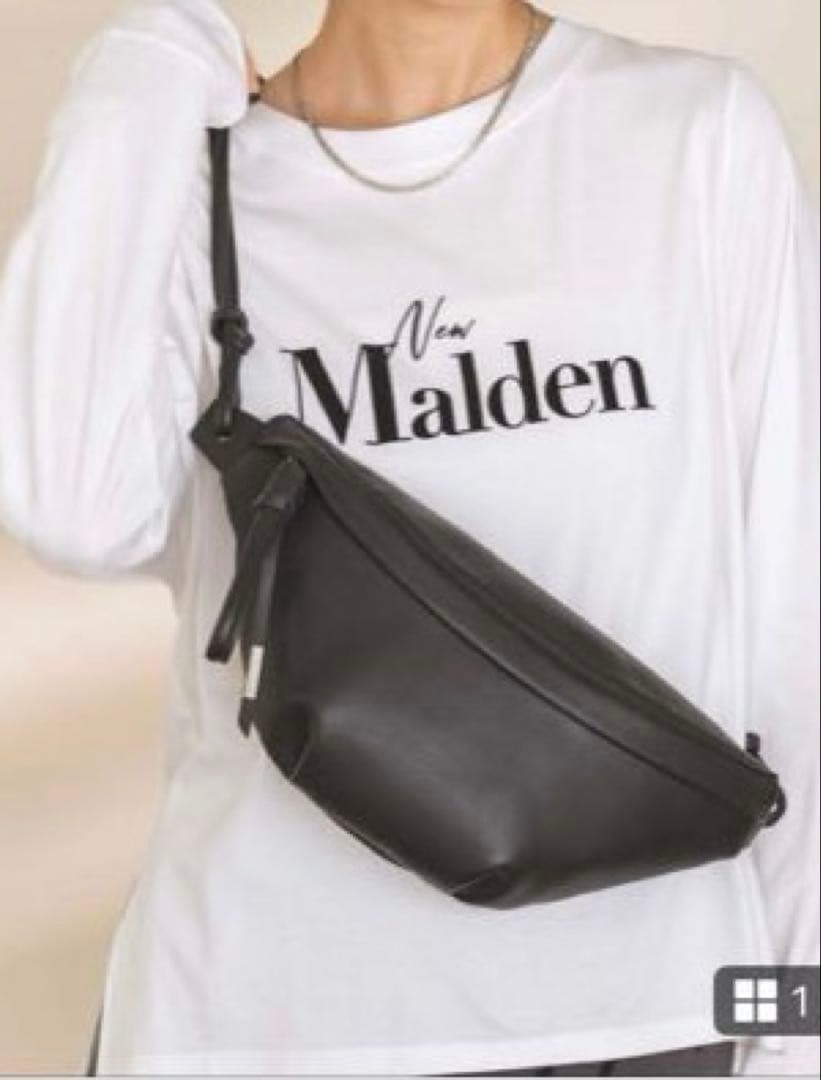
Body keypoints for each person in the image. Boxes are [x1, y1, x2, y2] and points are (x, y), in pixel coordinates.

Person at [0, 0, 818, 1075]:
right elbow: (74, 510)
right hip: (249, 1023)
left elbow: (792, 629)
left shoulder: (690, 133)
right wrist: (148, 60)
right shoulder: (193, 170)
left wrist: (793, 1030)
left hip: (631, 1020)